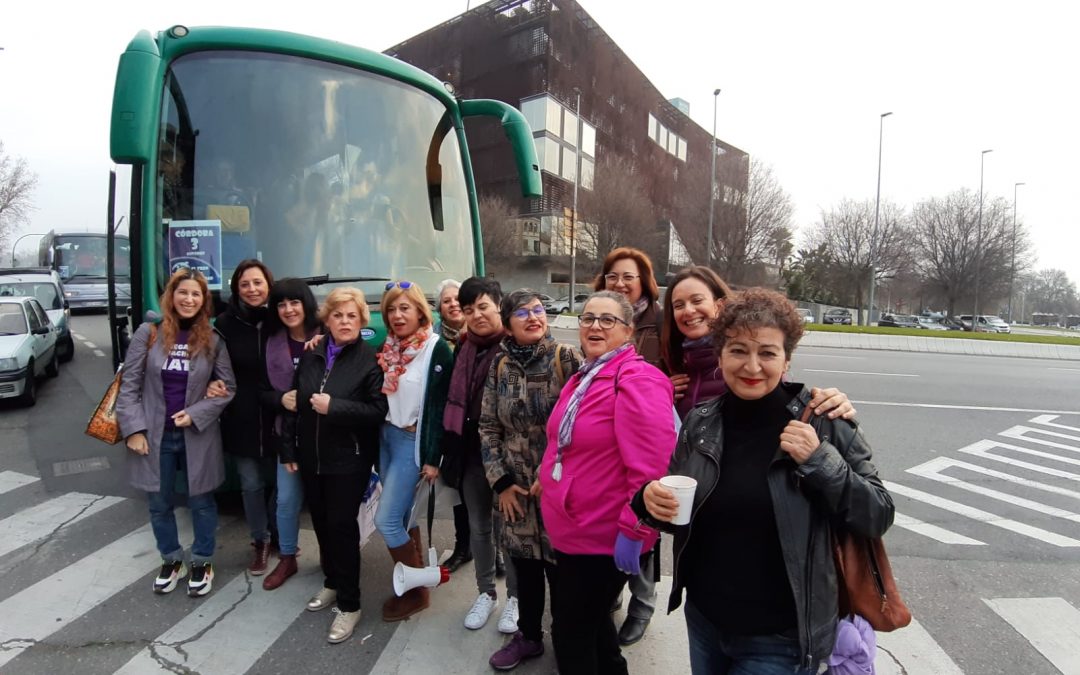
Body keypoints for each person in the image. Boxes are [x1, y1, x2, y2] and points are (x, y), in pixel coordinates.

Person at [634, 288, 896, 674]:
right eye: (738, 350)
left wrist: (821, 460)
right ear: (720, 356)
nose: (752, 366)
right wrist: (648, 502)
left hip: (781, 637)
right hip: (706, 619)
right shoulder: (701, 422)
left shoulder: (823, 421)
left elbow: (878, 514)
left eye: (767, 353)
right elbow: (681, 510)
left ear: (786, 360)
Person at [540, 290, 676, 674]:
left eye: (607, 320)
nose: (595, 326)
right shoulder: (588, 374)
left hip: (603, 539)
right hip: (571, 530)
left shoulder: (638, 379)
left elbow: (651, 473)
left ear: (629, 330)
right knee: (596, 626)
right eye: (587, 318)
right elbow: (565, 446)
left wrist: (636, 533)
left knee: (571, 635)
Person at [117, 268, 234, 598]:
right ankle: (171, 559)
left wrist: (196, 413)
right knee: (159, 502)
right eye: (183, 292)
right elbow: (130, 386)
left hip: (196, 433)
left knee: (202, 501)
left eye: (196, 294)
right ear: (171, 295)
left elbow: (228, 388)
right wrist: (133, 430)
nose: (189, 299)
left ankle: (202, 560)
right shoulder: (149, 333)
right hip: (154, 434)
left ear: (203, 301)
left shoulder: (212, 340)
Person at [480, 289, 581, 671]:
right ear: (508, 324)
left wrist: (554, 472)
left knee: (562, 570)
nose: (533, 317)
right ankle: (529, 637)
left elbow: (582, 425)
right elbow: (489, 426)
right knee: (524, 568)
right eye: (522, 313)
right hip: (515, 491)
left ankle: (567, 637)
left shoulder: (565, 358)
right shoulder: (500, 365)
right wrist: (501, 481)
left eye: (539, 309)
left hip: (558, 488)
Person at [281, 287, 387, 644]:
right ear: (327, 320)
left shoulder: (369, 360)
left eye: (352, 316)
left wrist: (336, 407)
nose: (345, 322)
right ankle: (331, 581)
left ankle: (350, 603)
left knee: (342, 528)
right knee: (322, 524)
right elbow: (295, 406)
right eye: (338, 315)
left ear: (361, 321)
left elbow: (377, 411)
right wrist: (289, 449)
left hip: (349, 458)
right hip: (312, 456)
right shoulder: (312, 355)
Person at [661, 265, 858, 422]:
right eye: (678, 305)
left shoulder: (747, 366)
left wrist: (828, 408)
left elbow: (787, 405)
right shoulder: (677, 365)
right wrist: (659, 397)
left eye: (697, 300)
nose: (688, 311)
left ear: (719, 304)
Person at [441, 278, 520, 635]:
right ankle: (485, 592)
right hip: (471, 452)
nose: (476, 315)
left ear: (499, 305)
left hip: (509, 456)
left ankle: (516, 599)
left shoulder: (516, 346)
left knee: (513, 531)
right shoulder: (463, 347)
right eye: (469, 309)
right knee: (479, 527)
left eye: (483, 306)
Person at [593, 245, 662, 645]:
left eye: (628, 277)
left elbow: (680, 364)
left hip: (648, 430)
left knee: (644, 515)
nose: (620, 283)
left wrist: (664, 385)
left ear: (643, 283)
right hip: (609, 433)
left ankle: (643, 604)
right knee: (614, 519)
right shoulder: (601, 315)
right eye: (613, 276)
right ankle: (614, 591)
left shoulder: (660, 320)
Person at [375, 280, 454, 622]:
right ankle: (416, 580)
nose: (397, 315)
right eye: (391, 309)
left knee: (387, 519)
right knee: (404, 516)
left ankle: (415, 588)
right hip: (387, 437)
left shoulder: (435, 348)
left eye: (404, 307)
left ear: (421, 310)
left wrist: (433, 458)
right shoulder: (389, 347)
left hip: (413, 441)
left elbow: (440, 408)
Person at [214, 259, 277, 576]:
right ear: (236, 289)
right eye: (245, 284)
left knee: (284, 481)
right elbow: (212, 364)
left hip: (280, 412)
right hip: (241, 414)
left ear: (269, 285)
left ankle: (280, 532)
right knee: (251, 483)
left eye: (258, 282)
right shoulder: (224, 323)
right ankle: (261, 540)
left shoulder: (281, 317)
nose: (252, 289)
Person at [258, 278, 322, 590]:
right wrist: (279, 399)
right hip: (288, 435)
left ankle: (333, 558)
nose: (288, 309)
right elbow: (258, 390)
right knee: (286, 500)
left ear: (306, 304)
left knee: (327, 502)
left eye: (294, 302)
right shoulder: (269, 340)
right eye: (281, 304)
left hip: (326, 433)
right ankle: (287, 557)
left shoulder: (327, 332)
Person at [436, 278, 472, 574]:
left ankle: (493, 549)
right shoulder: (432, 339)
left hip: (475, 423)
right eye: (446, 300)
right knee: (458, 489)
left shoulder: (477, 334)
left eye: (457, 299)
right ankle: (464, 546)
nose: (453, 304)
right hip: (449, 425)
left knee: (485, 494)